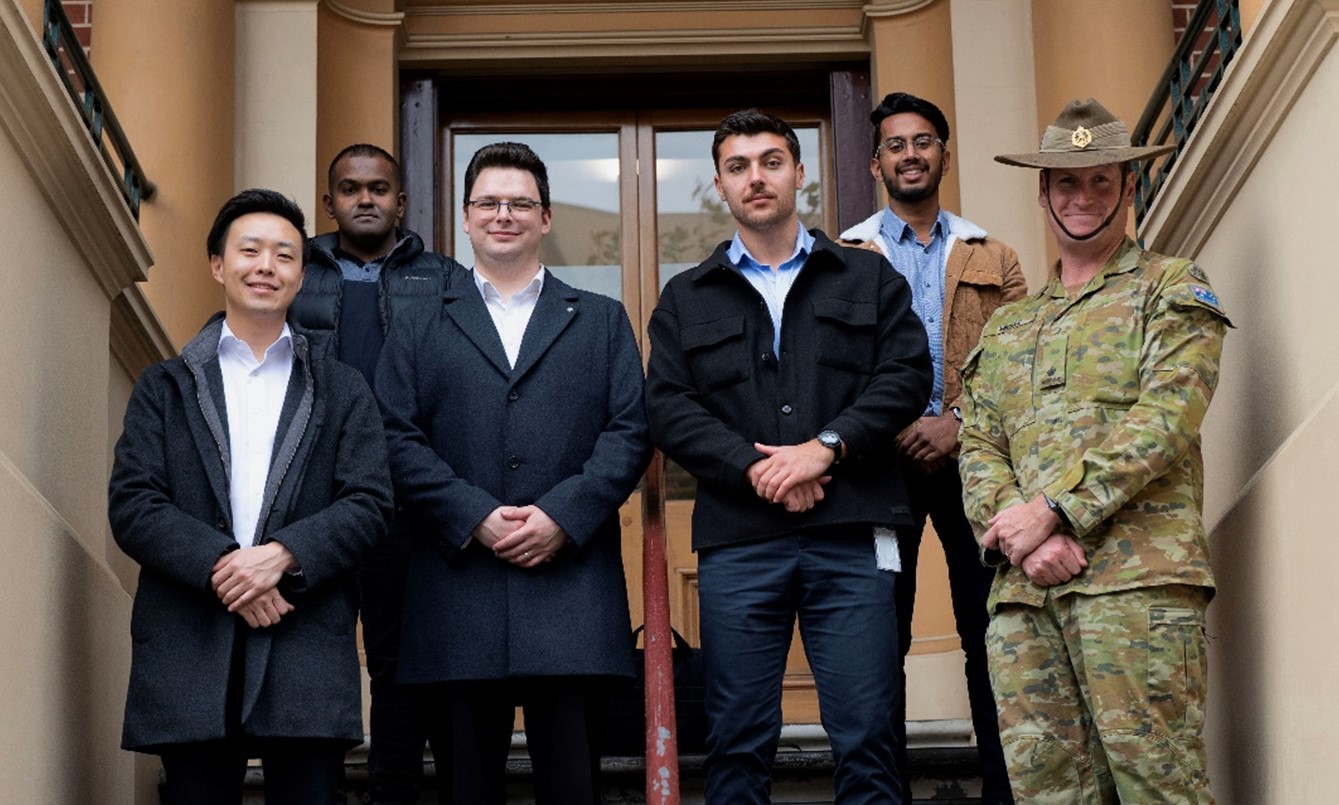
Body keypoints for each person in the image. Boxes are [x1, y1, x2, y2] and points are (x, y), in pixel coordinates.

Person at [645, 108, 933, 804]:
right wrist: (759, 467)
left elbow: (904, 377)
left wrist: (822, 450)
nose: (756, 177)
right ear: (719, 184)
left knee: (867, 733)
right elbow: (668, 405)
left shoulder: (867, 280)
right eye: (738, 166)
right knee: (736, 738)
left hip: (854, 532)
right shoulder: (685, 298)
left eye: (770, 161)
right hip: (740, 540)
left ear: (799, 174)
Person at [959, 98, 1230, 803]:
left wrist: (1055, 510)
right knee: (1049, 794)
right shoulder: (1009, 326)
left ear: (1127, 187)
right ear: (1042, 190)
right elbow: (979, 443)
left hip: (1134, 588)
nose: (1082, 198)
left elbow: (1167, 418)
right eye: (1065, 182)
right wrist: (1019, 537)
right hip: (1024, 597)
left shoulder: (1169, 287)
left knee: (1157, 788)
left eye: (1101, 181)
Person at [375, 141, 651, 805]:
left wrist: (562, 514)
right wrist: (473, 515)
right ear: (465, 219)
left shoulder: (602, 320)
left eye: (520, 203)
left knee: (574, 787)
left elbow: (629, 431)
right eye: (488, 203)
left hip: (571, 588)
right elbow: (392, 436)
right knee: (466, 787)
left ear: (545, 218)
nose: (504, 214)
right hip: (456, 586)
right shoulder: (415, 326)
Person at [109, 189, 394, 804]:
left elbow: (370, 501)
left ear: (302, 274)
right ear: (218, 265)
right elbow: (134, 503)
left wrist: (282, 555)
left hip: (304, 636)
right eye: (250, 250)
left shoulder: (343, 388)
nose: (266, 266)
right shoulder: (166, 386)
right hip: (190, 637)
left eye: (285, 255)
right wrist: (226, 567)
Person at [839, 91, 1025, 804]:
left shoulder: (994, 254)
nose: (909, 154)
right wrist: (893, 427)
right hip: (876, 472)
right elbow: (835, 369)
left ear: (942, 154)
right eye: (895, 143)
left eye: (922, 141)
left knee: (992, 629)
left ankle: (1003, 790)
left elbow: (1015, 363)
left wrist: (954, 420)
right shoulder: (844, 255)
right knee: (876, 637)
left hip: (974, 464)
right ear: (875, 161)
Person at [288, 143, 460, 805]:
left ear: (401, 200)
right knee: (312, 653)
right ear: (329, 200)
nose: (366, 198)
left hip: (404, 499)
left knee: (396, 657)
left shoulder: (444, 277)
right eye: (351, 188)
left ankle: (393, 790)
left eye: (379, 188)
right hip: (308, 496)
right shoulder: (294, 267)